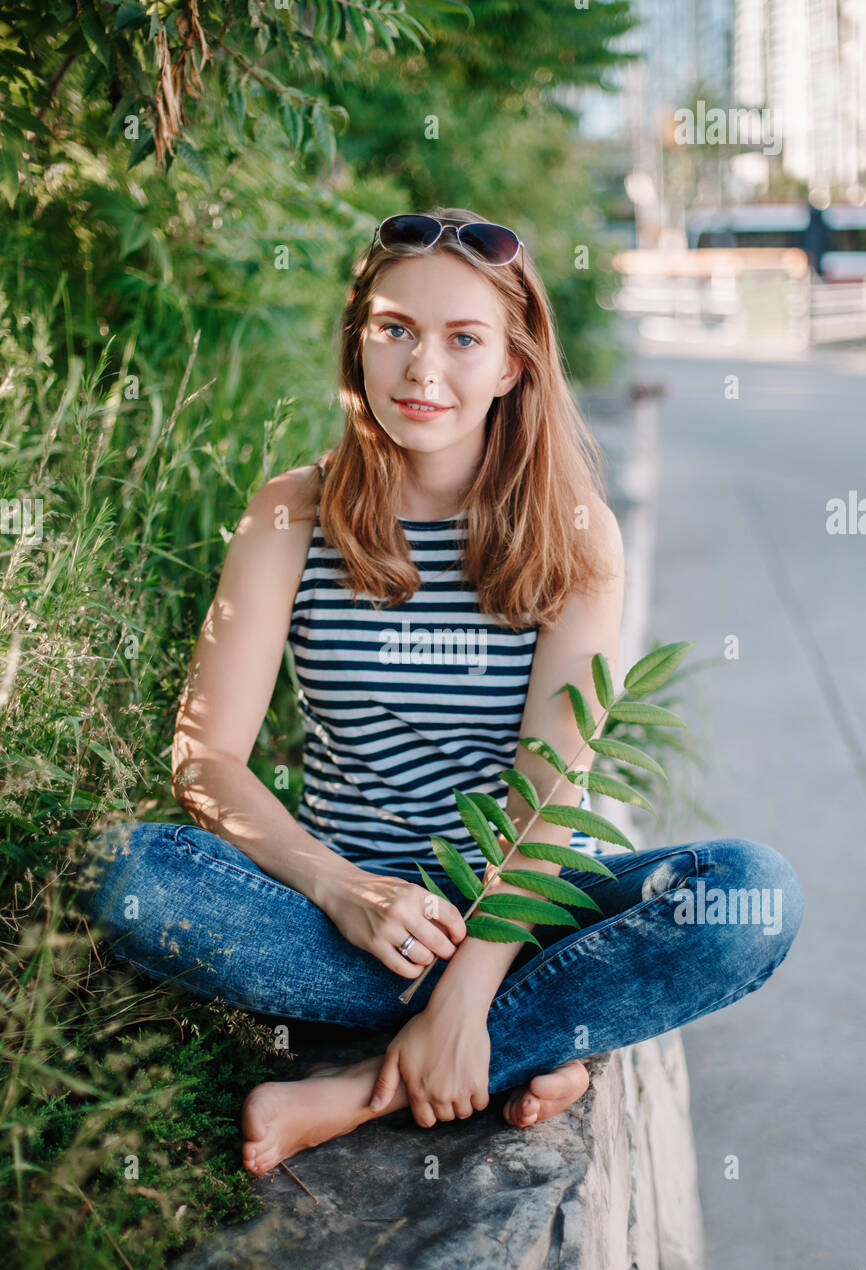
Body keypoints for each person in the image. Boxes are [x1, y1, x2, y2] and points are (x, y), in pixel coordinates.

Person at [75, 207, 804, 1178]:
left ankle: (368, 1084)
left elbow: (544, 792)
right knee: (131, 871)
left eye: (463, 339)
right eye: (394, 329)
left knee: (748, 899)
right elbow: (204, 758)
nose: (423, 371)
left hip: (528, 903)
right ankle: (549, 1034)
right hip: (342, 917)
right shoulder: (290, 512)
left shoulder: (571, 531)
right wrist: (346, 890)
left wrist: (465, 991)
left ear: (511, 363)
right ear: (359, 341)